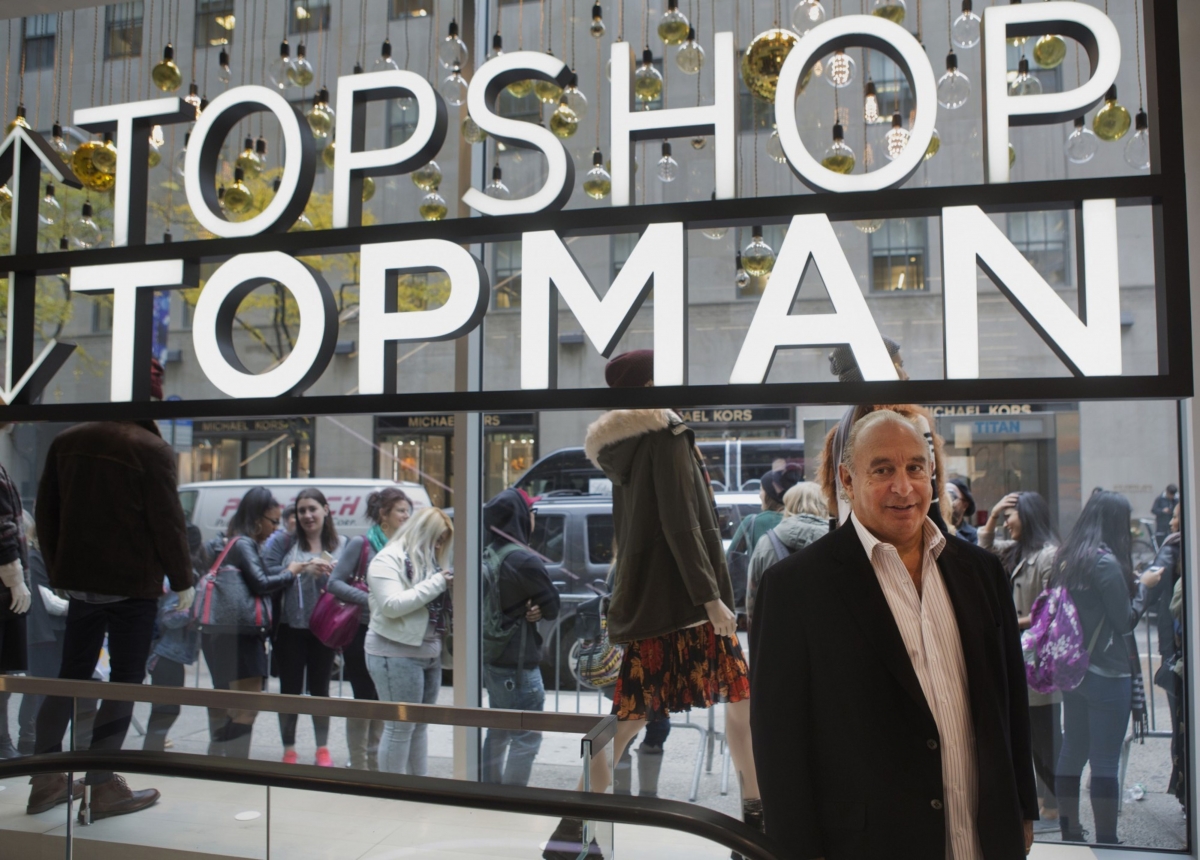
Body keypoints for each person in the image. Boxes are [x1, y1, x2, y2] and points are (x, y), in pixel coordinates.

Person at [751, 409, 1037, 860]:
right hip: (870, 844)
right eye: (882, 470)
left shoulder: (980, 572)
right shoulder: (795, 588)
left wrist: (1022, 808)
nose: (903, 487)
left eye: (915, 469)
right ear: (847, 480)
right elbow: (778, 741)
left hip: (983, 837)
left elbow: (1010, 702)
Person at [545, 349, 760, 860]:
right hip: (683, 601)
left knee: (637, 716)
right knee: (717, 704)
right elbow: (680, 520)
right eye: (662, 376)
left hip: (652, 598)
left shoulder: (627, 444)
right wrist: (710, 598)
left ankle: (573, 828)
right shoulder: (665, 435)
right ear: (646, 387)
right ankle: (756, 822)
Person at [29, 420, 193, 822]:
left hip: (81, 582)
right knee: (124, 681)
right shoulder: (149, 448)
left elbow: (46, 510)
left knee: (69, 678)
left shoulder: (67, 440)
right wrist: (183, 578)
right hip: (130, 585)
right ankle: (101, 785)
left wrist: (57, 569)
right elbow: (167, 521)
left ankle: (45, 779)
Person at [1053, 491, 1163, 845]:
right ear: (1114, 523)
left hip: (1074, 671)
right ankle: (1107, 840)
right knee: (1104, 760)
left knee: (1073, 749)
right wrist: (1145, 588)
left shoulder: (1068, 559)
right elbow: (1125, 620)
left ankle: (1069, 831)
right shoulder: (1106, 564)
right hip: (1107, 673)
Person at [979, 491, 1061, 827]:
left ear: (1027, 517)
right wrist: (994, 514)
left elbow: (1050, 610)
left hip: (1038, 662)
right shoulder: (1015, 551)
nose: (1007, 523)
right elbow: (981, 554)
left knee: (1043, 735)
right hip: (1017, 655)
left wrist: (1006, 621)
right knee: (1025, 732)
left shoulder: (1049, 556)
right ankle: (1043, 798)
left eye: (1011, 515)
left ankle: (1056, 801)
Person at [199, 487, 296, 759]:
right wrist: (291, 572)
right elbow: (261, 583)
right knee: (247, 707)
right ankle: (234, 764)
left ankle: (218, 758)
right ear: (256, 518)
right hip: (242, 632)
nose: (276, 528)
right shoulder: (243, 543)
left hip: (221, 631)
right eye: (273, 521)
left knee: (231, 704)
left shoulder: (226, 541)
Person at [327, 487, 412, 770]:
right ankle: (359, 763)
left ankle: (376, 763)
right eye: (401, 510)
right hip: (363, 630)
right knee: (364, 697)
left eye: (407, 510)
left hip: (394, 631)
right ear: (383, 514)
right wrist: (372, 601)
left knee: (383, 697)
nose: (407, 515)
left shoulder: (406, 545)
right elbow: (335, 583)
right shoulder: (362, 544)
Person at [481, 488, 561, 786]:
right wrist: (539, 606)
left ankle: (489, 793)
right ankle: (513, 799)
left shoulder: (487, 552)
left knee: (498, 730)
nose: (534, 518)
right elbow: (553, 607)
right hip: (519, 664)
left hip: (491, 657)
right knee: (526, 736)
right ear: (520, 517)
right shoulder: (524, 560)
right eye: (532, 512)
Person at [365, 506, 454, 775]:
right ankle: (396, 795)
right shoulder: (387, 559)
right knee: (400, 727)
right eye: (436, 538)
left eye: (443, 540)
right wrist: (438, 583)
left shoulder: (431, 562)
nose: (439, 545)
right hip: (394, 652)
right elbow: (392, 605)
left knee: (417, 727)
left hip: (428, 652)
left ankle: (417, 789)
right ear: (422, 532)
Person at [266, 488, 345, 766]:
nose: (308, 515)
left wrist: (329, 575)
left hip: (324, 628)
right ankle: (289, 748)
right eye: (301, 511)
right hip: (290, 627)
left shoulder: (341, 544)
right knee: (289, 690)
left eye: (313, 509)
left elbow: (349, 584)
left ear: (326, 509)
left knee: (320, 689)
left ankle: (322, 748)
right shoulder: (286, 542)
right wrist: (301, 571)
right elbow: (269, 575)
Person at [18, 512, 97, 756]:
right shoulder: (35, 558)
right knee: (46, 695)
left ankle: (69, 752)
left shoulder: (58, 559)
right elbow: (50, 602)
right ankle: (40, 752)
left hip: (61, 634)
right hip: (43, 636)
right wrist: (87, 603)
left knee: (69, 692)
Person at [744, 481, 828, 634]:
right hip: (827, 637)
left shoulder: (766, 543)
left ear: (788, 505)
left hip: (779, 636)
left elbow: (753, 603)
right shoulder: (839, 543)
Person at [141, 571, 201, 752]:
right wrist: (195, 609)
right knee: (166, 708)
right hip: (165, 653)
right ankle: (151, 752)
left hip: (168, 653)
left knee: (166, 707)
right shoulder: (180, 579)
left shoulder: (180, 578)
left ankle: (152, 751)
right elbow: (169, 617)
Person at [0, 456, 29, 761]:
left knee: (5, 674)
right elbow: (3, 530)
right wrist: (14, 577)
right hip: (3, 592)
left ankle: (2, 740)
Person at [947, 478, 978, 544]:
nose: (946, 501)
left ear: (965, 505)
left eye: (951, 496)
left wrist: (950, 530)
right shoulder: (932, 528)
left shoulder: (974, 535)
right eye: (943, 497)